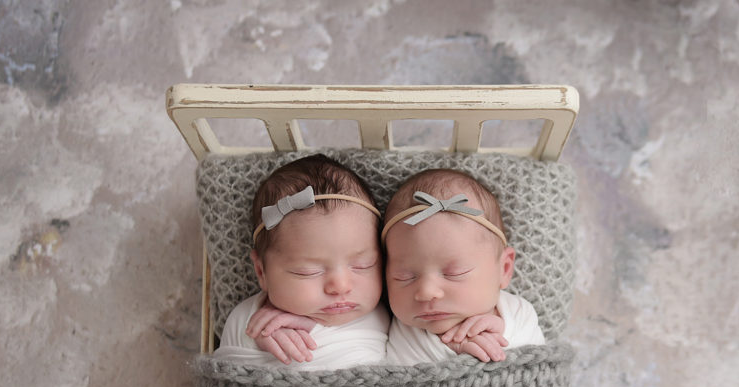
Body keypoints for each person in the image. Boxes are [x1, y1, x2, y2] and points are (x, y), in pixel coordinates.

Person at [214, 154, 389, 369]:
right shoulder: (246, 319)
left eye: (363, 265)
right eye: (308, 271)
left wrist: (312, 327)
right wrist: (257, 337)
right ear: (261, 272)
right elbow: (230, 366)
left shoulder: (391, 314)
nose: (340, 286)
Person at [381, 168, 545, 365]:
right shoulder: (403, 330)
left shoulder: (518, 313)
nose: (427, 292)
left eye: (454, 273)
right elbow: (400, 377)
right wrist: (453, 349)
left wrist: (503, 336)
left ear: (504, 269)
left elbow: (536, 363)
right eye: (404, 276)